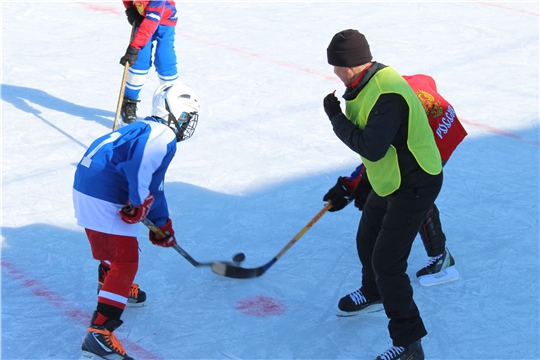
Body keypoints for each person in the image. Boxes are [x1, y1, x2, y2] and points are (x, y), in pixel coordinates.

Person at [321, 29, 444, 360]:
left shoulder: (386, 93)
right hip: (390, 177)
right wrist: (355, 185)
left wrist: (334, 118)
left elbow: (372, 147)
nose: (334, 72)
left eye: (335, 66)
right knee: (367, 239)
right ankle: (373, 292)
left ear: (348, 66)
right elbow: (376, 146)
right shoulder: (364, 84)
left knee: (387, 262)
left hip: (415, 183)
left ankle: (409, 344)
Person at [74, 83, 199, 360]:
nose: (187, 123)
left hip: (90, 189)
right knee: (126, 261)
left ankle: (111, 286)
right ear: (174, 113)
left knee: (114, 251)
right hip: (103, 194)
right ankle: (100, 332)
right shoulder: (162, 134)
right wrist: (139, 200)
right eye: (187, 116)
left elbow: (155, 185)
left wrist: (161, 223)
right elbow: (139, 166)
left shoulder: (143, 128)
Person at [325, 73, 466, 287]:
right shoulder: (386, 88)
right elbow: (425, 79)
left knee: (416, 190)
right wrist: (350, 184)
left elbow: (384, 155)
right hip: (428, 115)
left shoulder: (387, 106)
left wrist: (355, 183)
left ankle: (441, 259)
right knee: (399, 184)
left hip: (437, 134)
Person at [119, 0, 179, 124]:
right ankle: (129, 102)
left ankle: (173, 103)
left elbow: (152, 20)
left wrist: (134, 47)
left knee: (165, 60)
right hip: (143, 18)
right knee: (140, 61)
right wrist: (130, 9)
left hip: (165, 20)